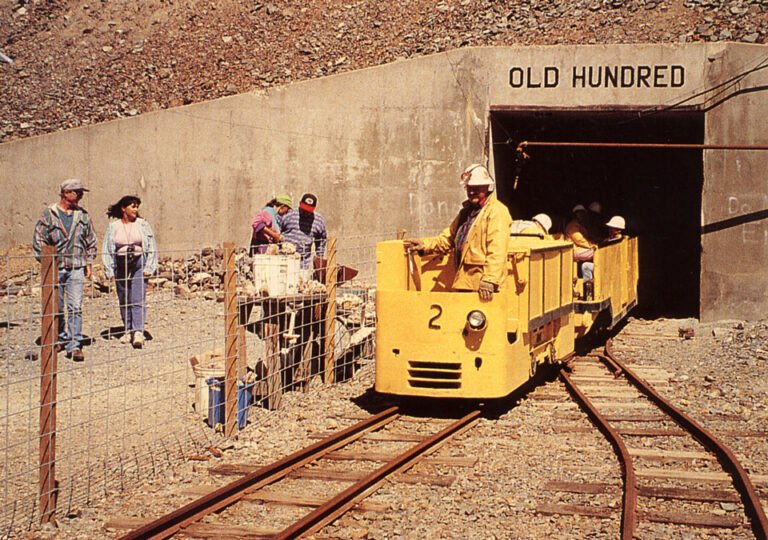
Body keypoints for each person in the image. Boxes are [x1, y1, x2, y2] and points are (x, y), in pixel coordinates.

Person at [405, 164, 512, 301]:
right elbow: (448, 237)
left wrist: (489, 280)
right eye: (469, 188)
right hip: (465, 283)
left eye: (476, 188)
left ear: (486, 187)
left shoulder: (497, 212)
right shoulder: (466, 212)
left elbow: (497, 250)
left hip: (482, 287)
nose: (472, 192)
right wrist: (425, 245)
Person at [32, 179, 98, 361]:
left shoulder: (83, 216)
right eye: (78, 192)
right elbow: (39, 239)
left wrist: (88, 264)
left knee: (75, 306)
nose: (80, 196)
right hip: (55, 269)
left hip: (76, 267)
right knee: (56, 306)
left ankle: (74, 344)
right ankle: (59, 338)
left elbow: (91, 240)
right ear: (66, 193)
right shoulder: (49, 215)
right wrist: (46, 263)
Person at [102, 195, 158, 348]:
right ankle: (128, 329)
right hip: (121, 264)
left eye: (137, 206)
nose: (136, 209)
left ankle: (138, 331)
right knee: (124, 296)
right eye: (133, 206)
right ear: (123, 208)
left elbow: (151, 245)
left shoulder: (143, 225)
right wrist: (109, 270)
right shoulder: (114, 226)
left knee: (138, 296)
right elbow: (107, 248)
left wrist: (149, 267)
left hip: (138, 262)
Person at [278, 193, 328, 269]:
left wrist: (319, 261)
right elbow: (276, 231)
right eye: (303, 209)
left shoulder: (318, 221)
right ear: (300, 203)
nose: (305, 212)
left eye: (308, 210)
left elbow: (321, 241)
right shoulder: (289, 214)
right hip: (283, 260)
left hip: (303, 264)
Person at [566, 204, 599, 300]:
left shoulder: (580, 224)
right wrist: (592, 246)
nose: (582, 215)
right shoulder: (573, 226)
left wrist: (594, 242)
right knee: (595, 253)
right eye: (579, 213)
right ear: (575, 214)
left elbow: (587, 237)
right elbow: (579, 240)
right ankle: (589, 287)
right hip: (574, 250)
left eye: (583, 213)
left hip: (579, 248)